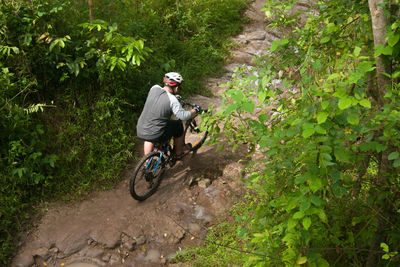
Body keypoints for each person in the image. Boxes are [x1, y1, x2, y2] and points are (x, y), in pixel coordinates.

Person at [136, 72, 200, 159]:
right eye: (180, 87)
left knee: (150, 135)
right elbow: (183, 116)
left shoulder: (154, 88)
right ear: (176, 87)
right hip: (156, 134)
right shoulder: (172, 100)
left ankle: (146, 162)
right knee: (178, 125)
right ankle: (178, 153)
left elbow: (161, 98)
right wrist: (194, 110)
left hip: (141, 129)